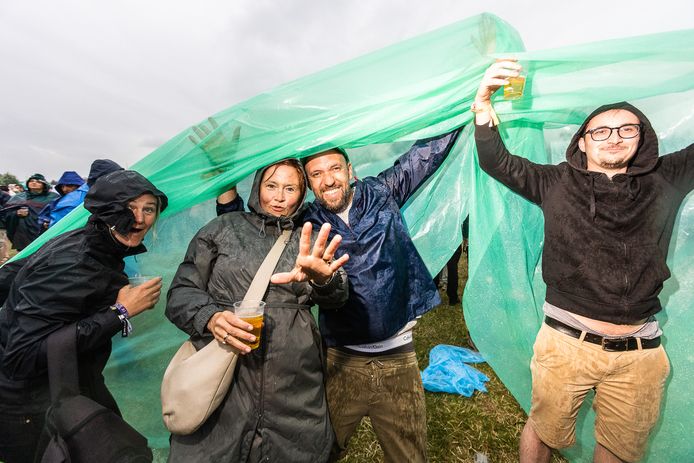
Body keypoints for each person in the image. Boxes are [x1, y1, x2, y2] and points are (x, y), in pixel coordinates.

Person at [472, 60, 694, 463]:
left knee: (619, 449)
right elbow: (497, 162)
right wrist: (482, 104)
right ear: (583, 142)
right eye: (601, 131)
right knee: (544, 433)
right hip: (566, 342)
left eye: (627, 129)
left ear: (642, 137)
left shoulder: (668, 177)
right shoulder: (555, 182)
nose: (614, 138)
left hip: (639, 352)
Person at [165, 159, 350, 463]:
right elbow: (181, 292)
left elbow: (338, 296)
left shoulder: (311, 237)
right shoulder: (224, 228)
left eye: (290, 188)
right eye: (271, 186)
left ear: (301, 193)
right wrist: (210, 317)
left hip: (293, 384)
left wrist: (324, 278)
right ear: (257, 188)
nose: (279, 197)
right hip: (224, 376)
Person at [300, 129, 462, 462]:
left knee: (410, 456)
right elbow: (256, 227)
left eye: (334, 168)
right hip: (341, 364)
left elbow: (425, 155)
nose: (327, 180)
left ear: (350, 171)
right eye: (316, 174)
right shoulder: (306, 222)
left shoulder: (381, 192)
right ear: (309, 184)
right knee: (318, 451)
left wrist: (467, 104)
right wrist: (224, 185)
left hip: (398, 360)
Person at [0, 170, 167, 463]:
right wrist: (120, 312)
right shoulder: (76, 261)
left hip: (69, 386)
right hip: (30, 404)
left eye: (148, 209)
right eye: (129, 208)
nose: (139, 219)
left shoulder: (94, 244)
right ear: (104, 210)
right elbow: (22, 357)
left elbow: (11, 277)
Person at [38, 160, 124, 230]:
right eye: (116, 177)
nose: (65, 189)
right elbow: (57, 233)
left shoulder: (105, 192)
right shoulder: (71, 203)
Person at [1, 174, 58, 251]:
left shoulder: (53, 197)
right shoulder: (19, 196)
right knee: (23, 258)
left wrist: (48, 220)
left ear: (44, 184)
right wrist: (16, 213)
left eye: (38, 181)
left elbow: (58, 213)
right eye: (31, 181)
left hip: (43, 231)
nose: (34, 183)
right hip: (23, 233)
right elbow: (6, 213)